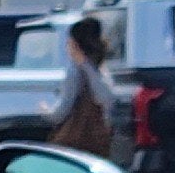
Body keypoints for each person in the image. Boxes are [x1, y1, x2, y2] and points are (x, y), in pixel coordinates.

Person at [47, 14, 120, 160]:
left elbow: (61, 112)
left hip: (76, 143)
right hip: (100, 141)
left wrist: (46, 112)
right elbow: (108, 100)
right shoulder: (100, 68)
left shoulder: (76, 71)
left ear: (75, 44)